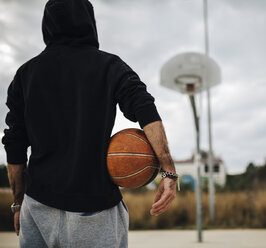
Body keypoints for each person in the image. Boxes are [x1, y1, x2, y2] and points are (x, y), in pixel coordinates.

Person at [2, 0, 177, 247]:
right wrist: (168, 169)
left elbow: (14, 144)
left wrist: (18, 204)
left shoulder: (25, 74)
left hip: (37, 207)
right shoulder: (109, 66)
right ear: (89, 22)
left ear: (47, 25)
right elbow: (145, 108)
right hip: (95, 210)